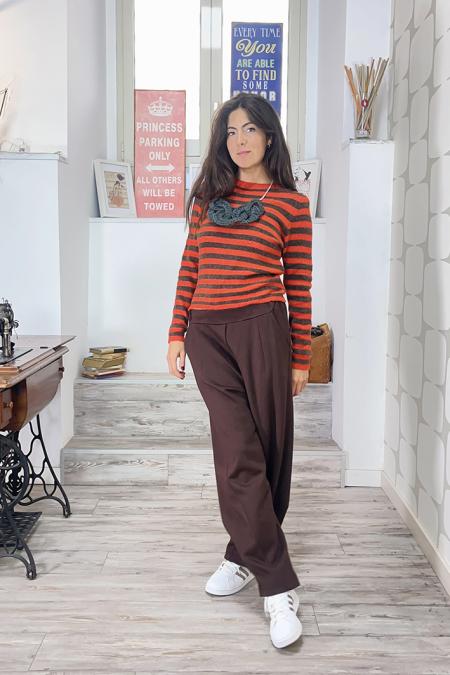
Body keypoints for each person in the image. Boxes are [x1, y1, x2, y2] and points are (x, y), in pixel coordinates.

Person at [167, 92, 312, 650]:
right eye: (231, 131)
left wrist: (300, 357)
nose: (240, 140)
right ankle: (279, 588)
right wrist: (176, 332)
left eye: (250, 129)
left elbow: (299, 286)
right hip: (207, 335)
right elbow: (190, 266)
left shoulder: (291, 206)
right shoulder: (207, 199)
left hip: (262, 330)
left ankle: (240, 555)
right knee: (237, 456)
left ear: (269, 136)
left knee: (269, 454)